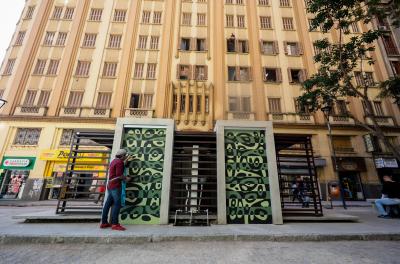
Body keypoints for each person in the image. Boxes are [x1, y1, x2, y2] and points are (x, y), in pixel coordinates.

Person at [100, 149, 129, 231]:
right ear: (122, 156)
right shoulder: (119, 162)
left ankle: (104, 222)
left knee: (108, 203)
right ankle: (115, 224)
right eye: (125, 156)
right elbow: (119, 175)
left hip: (110, 185)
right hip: (116, 185)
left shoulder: (113, 161)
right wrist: (126, 178)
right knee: (117, 204)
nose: (125, 157)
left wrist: (124, 164)